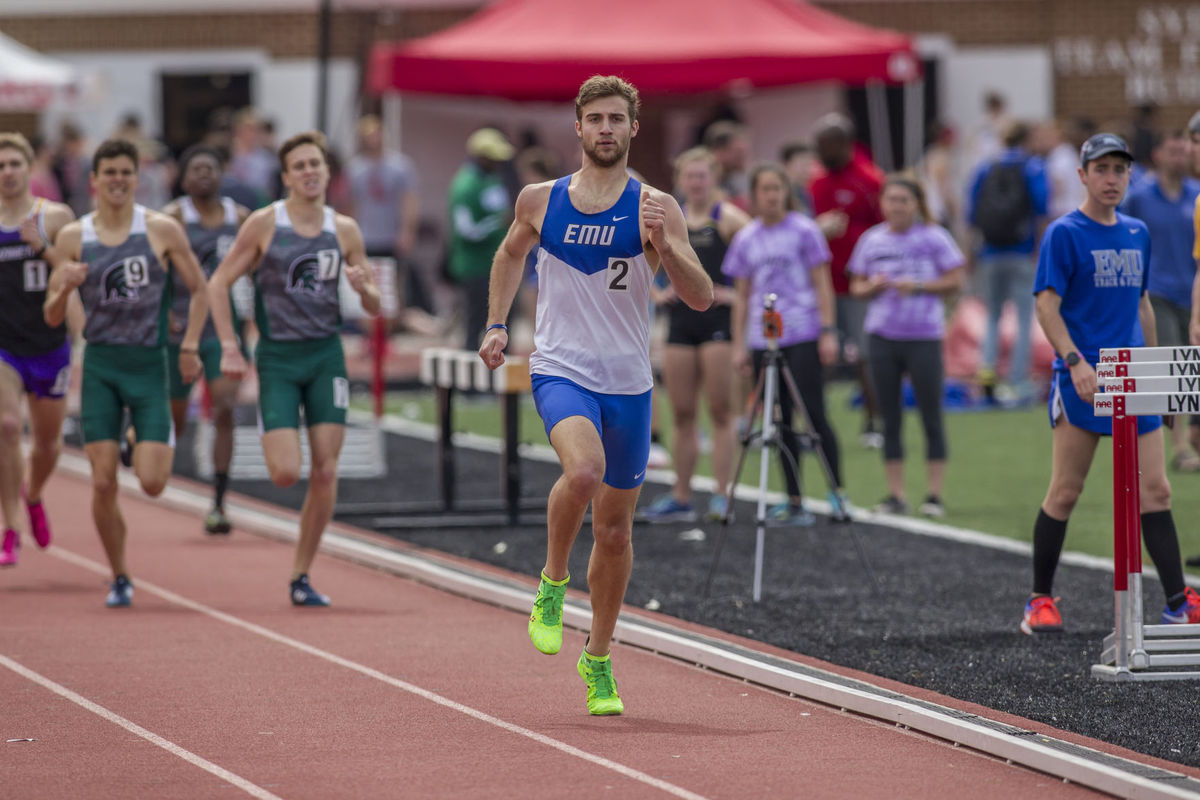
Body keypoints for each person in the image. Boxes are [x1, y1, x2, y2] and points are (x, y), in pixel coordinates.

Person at [477, 76, 712, 715]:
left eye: (617, 119)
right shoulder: (539, 199)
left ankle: (598, 657)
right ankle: (552, 583)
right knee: (583, 471)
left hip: (629, 384)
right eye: (595, 119)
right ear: (577, 128)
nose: (606, 129)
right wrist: (497, 323)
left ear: (634, 129)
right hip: (560, 368)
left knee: (613, 533)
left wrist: (667, 244)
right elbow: (507, 256)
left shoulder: (654, 206)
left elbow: (700, 295)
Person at [1021, 133, 1200, 635]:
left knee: (1157, 491)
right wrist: (1075, 361)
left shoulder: (1136, 232)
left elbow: (1142, 304)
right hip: (1083, 377)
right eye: (1101, 169)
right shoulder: (1065, 232)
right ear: (1082, 175)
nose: (1111, 179)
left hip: (1131, 377)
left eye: (1119, 170)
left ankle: (1175, 600)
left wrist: (1151, 371)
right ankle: (1039, 600)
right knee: (1066, 491)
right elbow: (1046, 306)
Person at [207, 130, 380, 607]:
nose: (308, 172)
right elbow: (218, 284)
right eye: (299, 165)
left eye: (315, 164)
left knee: (325, 471)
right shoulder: (265, 224)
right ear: (285, 176)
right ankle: (299, 564)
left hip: (326, 355)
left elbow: (376, 302)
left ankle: (301, 574)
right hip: (279, 357)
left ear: (327, 172)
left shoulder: (343, 228)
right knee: (285, 472)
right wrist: (229, 345)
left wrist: (364, 289)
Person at [43, 138, 210, 607]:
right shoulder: (75, 237)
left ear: (138, 178)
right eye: (109, 172)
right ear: (93, 180)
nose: (118, 180)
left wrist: (191, 344)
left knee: (154, 483)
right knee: (102, 481)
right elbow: (52, 315)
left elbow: (200, 290)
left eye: (125, 172)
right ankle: (119, 574)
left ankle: (135, 440)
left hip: (148, 364)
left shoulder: (160, 230)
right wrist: (64, 290)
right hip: (101, 365)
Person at [725, 164, 843, 524]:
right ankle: (794, 499)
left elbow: (822, 283)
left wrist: (827, 330)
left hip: (803, 332)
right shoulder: (747, 238)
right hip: (765, 339)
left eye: (777, 189)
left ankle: (837, 493)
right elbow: (742, 296)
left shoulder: (805, 230)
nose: (772, 196)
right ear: (755, 195)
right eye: (765, 189)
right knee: (779, 421)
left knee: (814, 415)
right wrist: (740, 344)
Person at [641, 147, 750, 523]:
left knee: (721, 412)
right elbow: (639, 259)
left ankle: (721, 496)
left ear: (714, 179)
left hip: (717, 324)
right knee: (683, 413)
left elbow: (760, 264)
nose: (696, 183)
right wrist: (656, 292)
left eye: (703, 176)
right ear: (680, 181)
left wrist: (735, 296)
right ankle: (681, 496)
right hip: (680, 323)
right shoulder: (673, 218)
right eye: (690, 177)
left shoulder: (730, 219)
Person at [848, 175, 966, 517]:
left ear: (917, 204)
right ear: (881, 204)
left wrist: (917, 286)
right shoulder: (871, 240)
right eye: (891, 199)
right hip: (883, 336)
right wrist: (873, 286)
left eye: (904, 200)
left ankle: (934, 495)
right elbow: (855, 285)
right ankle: (896, 494)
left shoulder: (934, 237)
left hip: (924, 335)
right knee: (890, 417)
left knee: (931, 414)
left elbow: (956, 279)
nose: (897, 206)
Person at [161, 145, 251, 533]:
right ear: (183, 179)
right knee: (176, 422)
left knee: (226, 407)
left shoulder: (242, 219)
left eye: (210, 168)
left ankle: (218, 502)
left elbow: (261, 271)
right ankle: (139, 438)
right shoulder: (173, 218)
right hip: (180, 329)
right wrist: (161, 312)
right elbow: (153, 268)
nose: (204, 175)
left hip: (223, 330)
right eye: (195, 169)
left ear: (221, 174)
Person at [0, 133, 76, 566]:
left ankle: (34, 494)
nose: (7, 173)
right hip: (4, 345)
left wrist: (42, 248)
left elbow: (75, 272)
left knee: (47, 446)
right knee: (8, 427)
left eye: (14, 164)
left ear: (30, 168)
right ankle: (10, 528)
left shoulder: (56, 217)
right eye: (0, 166)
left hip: (48, 343)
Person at [1121, 129, 1200, 472]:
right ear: (1157, 155)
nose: (1180, 157)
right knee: (1172, 365)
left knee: (1193, 367)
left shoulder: (1195, 195)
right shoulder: (1139, 197)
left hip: (1191, 291)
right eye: (1173, 150)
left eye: (1184, 150)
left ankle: (1193, 436)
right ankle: (1179, 446)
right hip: (1155, 292)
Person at [809, 113, 885, 447]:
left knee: (866, 355)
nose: (823, 152)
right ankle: (817, 424)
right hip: (824, 284)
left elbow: (884, 230)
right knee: (818, 356)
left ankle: (874, 421)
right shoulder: (817, 182)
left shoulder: (869, 180)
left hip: (858, 286)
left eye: (828, 146)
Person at [967, 120, 1048, 406]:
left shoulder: (986, 167)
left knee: (992, 316)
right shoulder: (1032, 166)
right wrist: (1039, 249)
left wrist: (971, 254)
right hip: (1022, 251)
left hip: (990, 251)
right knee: (1025, 317)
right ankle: (1017, 378)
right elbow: (1042, 208)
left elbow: (971, 213)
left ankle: (987, 373)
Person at [346, 115, 427, 314]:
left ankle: (390, 327)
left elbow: (409, 200)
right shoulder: (355, 168)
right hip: (366, 236)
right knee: (368, 283)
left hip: (390, 235)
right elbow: (351, 203)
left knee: (393, 287)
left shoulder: (400, 165)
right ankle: (370, 329)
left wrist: (407, 230)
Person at [449, 128, 514, 350]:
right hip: (475, 266)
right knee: (475, 322)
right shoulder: (465, 186)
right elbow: (466, 230)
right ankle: (471, 382)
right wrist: (498, 222)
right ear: (481, 157)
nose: (498, 162)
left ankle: (503, 378)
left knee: (505, 321)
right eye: (493, 158)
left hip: (498, 263)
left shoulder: (492, 179)